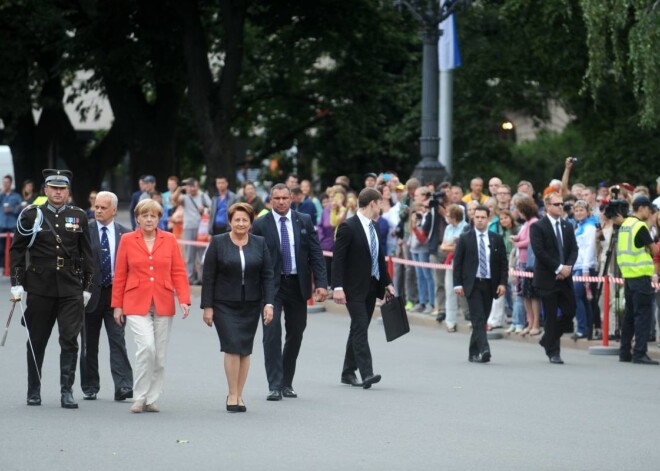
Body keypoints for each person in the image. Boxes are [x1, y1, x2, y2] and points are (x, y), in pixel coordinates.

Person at [10, 169, 94, 408]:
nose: (58, 192)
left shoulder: (79, 216)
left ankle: (66, 391)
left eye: (62, 188)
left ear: (68, 191)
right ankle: (33, 390)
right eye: (53, 188)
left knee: (69, 340)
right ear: (45, 190)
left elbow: (87, 254)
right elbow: (17, 251)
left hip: (70, 288)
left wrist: (87, 287)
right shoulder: (31, 215)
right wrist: (17, 284)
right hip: (39, 286)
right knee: (36, 340)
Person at [112, 199, 191, 413]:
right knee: (146, 347)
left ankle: (152, 398)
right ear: (137, 218)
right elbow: (120, 274)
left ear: (159, 218)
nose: (149, 219)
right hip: (135, 300)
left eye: (153, 216)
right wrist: (117, 305)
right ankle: (139, 397)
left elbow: (178, 271)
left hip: (163, 300)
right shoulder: (127, 240)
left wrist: (184, 298)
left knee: (160, 355)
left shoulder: (170, 239)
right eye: (145, 215)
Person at [252, 184, 327, 401]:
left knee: (296, 332)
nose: (281, 202)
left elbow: (315, 253)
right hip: (271, 286)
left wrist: (321, 282)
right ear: (271, 200)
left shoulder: (303, 220)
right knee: (272, 333)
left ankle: (286, 382)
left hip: (297, 284)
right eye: (277, 198)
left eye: (285, 198)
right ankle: (274, 385)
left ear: (292, 198)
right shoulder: (260, 224)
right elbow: (255, 256)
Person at [201, 203, 275, 412]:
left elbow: (268, 276)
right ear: (230, 222)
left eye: (245, 220)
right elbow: (208, 276)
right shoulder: (218, 242)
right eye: (237, 220)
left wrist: (268, 304)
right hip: (224, 304)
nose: (241, 223)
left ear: (251, 223)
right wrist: (207, 307)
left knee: (245, 350)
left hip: (251, 304)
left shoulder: (259, 243)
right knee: (232, 346)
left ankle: (239, 394)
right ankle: (232, 393)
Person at [332, 188, 394, 389]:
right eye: (381, 203)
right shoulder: (348, 227)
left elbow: (379, 259)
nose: (383, 206)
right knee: (360, 326)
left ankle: (347, 372)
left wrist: (388, 283)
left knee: (358, 328)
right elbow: (338, 260)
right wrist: (338, 287)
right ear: (373, 204)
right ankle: (367, 373)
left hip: (371, 286)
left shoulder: (374, 227)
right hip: (353, 288)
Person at [79, 191, 133, 401]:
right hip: (89, 295)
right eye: (96, 207)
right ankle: (90, 385)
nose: (98, 210)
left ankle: (123, 385)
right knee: (89, 343)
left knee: (117, 340)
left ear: (114, 210)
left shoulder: (126, 234)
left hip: (116, 296)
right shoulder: (85, 231)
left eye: (103, 207)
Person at [453, 205, 508, 362]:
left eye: (483, 217)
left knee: (482, 318)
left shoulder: (496, 238)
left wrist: (502, 283)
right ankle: (485, 349)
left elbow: (503, 263)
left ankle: (473, 351)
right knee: (477, 317)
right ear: (473, 218)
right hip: (472, 284)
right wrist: (457, 284)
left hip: (490, 283)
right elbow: (458, 263)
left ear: (488, 219)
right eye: (477, 217)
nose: (479, 220)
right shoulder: (465, 237)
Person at [530, 192, 578, 364]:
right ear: (548, 206)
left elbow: (573, 249)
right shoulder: (538, 226)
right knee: (550, 315)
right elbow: (540, 252)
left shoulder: (567, 226)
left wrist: (567, 268)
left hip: (565, 277)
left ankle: (547, 339)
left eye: (562, 204)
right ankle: (553, 352)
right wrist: (558, 268)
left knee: (570, 311)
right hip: (547, 278)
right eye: (557, 204)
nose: (561, 207)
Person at [616, 196, 659, 365]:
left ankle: (624, 352)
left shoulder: (625, 225)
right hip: (640, 276)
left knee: (629, 316)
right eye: (649, 209)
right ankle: (640, 353)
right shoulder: (639, 226)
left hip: (628, 276)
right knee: (643, 316)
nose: (650, 213)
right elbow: (655, 249)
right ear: (641, 208)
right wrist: (649, 247)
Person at [173, 178, 212, 284]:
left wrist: (204, 209)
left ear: (198, 186)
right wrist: (180, 189)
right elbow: (174, 200)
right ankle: (189, 278)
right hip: (188, 227)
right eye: (190, 187)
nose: (192, 189)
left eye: (194, 186)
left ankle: (201, 278)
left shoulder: (203, 196)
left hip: (202, 228)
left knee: (201, 254)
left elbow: (212, 207)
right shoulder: (185, 198)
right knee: (189, 254)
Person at [571, 200, 598, 339]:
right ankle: (586, 326)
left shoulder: (590, 227)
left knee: (579, 296)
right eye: (576, 210)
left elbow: (589, 248)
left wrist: (587, 267)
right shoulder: (578, 227)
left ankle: (583, 327)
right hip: (577, 266)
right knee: (580, 297)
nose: (579, 213)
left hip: (585, 267)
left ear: (587, 212)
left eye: (582, 210)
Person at [0, 174, 22, 273]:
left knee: (12, 249)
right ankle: (2, 268)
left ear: (11, 183)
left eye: (7, 182)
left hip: (12, 225)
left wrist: (12, 209)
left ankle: (11, 268)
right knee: (1, 248)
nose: (5, 184)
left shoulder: (16, 196)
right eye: (4, 182)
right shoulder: (1, 196)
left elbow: (20, 209)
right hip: (2, 225)